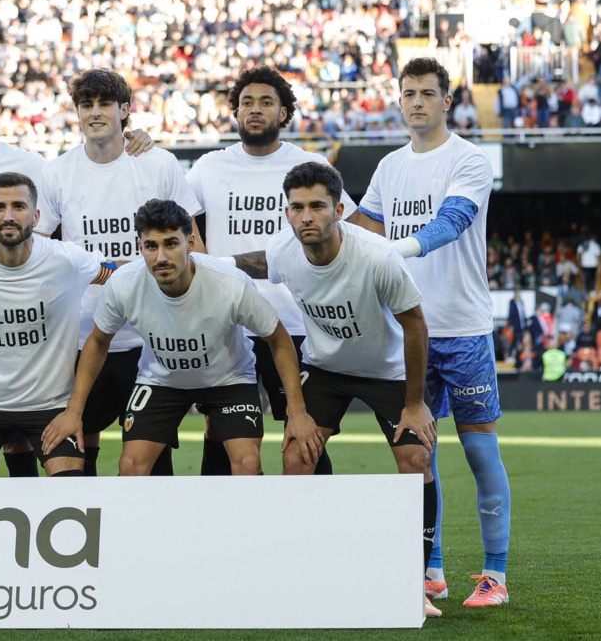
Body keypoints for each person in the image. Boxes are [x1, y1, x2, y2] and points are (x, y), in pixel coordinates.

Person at [0, 69, 153, 478]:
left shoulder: (34, 168)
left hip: (36, 353)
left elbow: (107, 266)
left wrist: (129, 138)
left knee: (41, 447)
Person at [242, 162, 441, 617]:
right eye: (296, 207)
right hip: (325, 368)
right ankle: (306, 568)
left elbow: (415, 326)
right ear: (286, 211)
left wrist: (414, 405)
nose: (306, 216)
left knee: (415, 458)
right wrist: (196, 260)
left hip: (387, 371)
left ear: (339, 208)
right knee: (296, 454)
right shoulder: (285, 252)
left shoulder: (378, 256)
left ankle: (415, 582)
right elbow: (248, 264)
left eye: (317, 206)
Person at [348, 57, 511, 608]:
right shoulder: (390, 166)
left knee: (480, 453)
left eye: (427, 92)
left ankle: (495, 576)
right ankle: (431, 570)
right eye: (408, 92)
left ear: (447, 100)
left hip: (463, 329)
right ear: (399, 100)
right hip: (407, 333)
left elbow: (451, 222)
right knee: (418, 456)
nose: (416, 101)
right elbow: (359, 229)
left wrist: (398, 247)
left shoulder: (470, 159)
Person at [45, 199, 316, 476]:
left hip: (228, 379)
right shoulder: (124, 283)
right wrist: (73, 411)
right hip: (161, 380)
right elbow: (98, 341)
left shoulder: (231, 284)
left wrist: (297, 411)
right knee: (130, 466)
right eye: (151, 246)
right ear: (140, 248)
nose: (161, 257)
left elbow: (279, 339)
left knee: (247, 463)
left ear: (191, 244)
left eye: (171, 244)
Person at [187, 66, 357, 478]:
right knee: (220, 429)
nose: (255, 109)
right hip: (228, 322)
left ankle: (311, 528)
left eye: (266, 102)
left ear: (284, 113)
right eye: (247, 102)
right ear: (235, 112)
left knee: (304, 428)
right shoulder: (209, 166)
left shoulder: (310, 163)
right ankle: (224, 529)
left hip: (295, 320)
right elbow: (184, 225)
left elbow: (347, 227)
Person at [37, 69, 204, 476]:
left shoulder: (158, 163)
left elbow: (195, 243)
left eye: (105, 104)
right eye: (86, 105)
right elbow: (39, 249)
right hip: (82, 333)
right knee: (80, 442)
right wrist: (104, 271)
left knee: (151, 453)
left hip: (151, 334)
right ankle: (89, 533)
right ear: (76, 113)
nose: (95, 113)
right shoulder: (57, 172)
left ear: (125, 110)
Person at [0, 172, 116, 478]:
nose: (9, 216)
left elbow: (114, 275)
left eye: (19, 206)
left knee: (70, 492)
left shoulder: (66, 260)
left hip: (51, 405)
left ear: (36, 216)